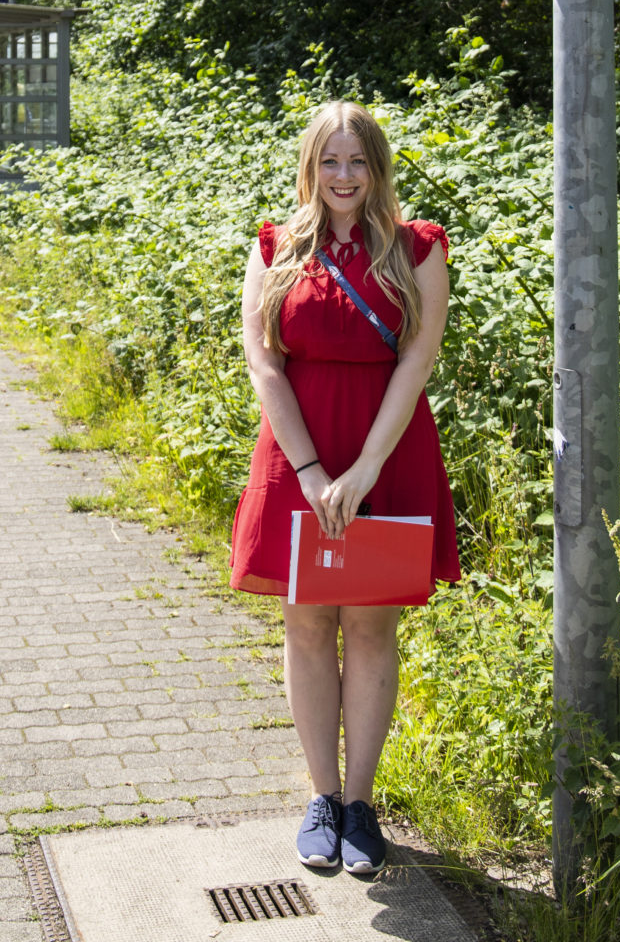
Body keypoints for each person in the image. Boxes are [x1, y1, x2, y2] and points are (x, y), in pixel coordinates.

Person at [230, 100, 458, 877]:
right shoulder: (276, 245)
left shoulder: (417, 248)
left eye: (357, 161)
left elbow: (417, 361)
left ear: (378, 167)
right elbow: (264, 364)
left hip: (384, 454)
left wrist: (362, 470)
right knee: (305, 626)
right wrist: (314, 472)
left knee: (369, 627)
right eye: (330, 161)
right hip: (299, 452)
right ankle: (321, 798)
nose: (344, 176)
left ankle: (361, 804)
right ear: (310, 166)